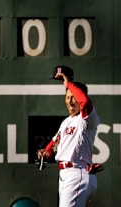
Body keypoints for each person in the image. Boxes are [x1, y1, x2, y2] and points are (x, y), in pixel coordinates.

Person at [37, 71, 102, 207]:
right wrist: (47, 152)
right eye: (67, 97)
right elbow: (55, 142)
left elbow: (85, 102)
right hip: (66, 176)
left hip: (76, 172)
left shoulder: (87, 119)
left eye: (74, 98)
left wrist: (68, 83)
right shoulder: (66, 122)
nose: (70, 102)